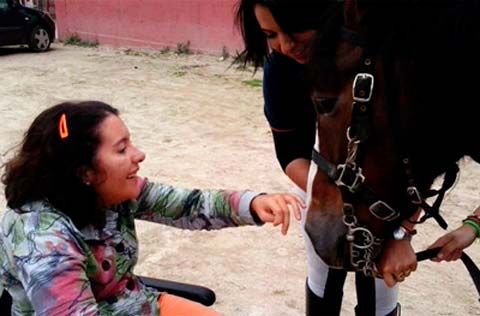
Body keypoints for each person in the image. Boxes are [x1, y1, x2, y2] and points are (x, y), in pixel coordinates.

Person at [0, 100, 304, 316]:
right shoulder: (41, 237)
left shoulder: (118, 192)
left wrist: (253, 203)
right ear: (84, 173)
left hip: (138, 304)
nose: (139, 155)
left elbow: (189, 206)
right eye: (122, 149)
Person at [235, 1, 401, 315]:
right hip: (322, 184)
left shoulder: (387, 60)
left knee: (380, 286)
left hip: (386, 198)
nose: (285, 46)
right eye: (271, 34)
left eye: (294, 31)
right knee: (325, 272)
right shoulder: (282, 70)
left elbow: (417, 160)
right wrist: (336, 196)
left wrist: (401, 229)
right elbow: (290, 154)